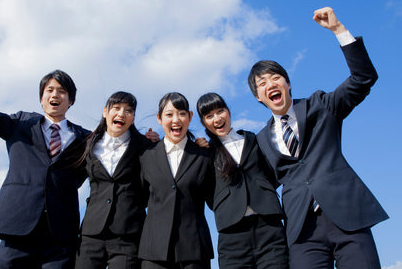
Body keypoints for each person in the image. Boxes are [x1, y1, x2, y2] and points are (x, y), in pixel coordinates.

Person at [247, 7, 388, 269]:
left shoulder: (321, 105)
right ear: (258, 96)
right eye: (262, 83)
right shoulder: (261, 139)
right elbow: (257, 184)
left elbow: (363, 78)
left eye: (276, 78)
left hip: (347, 215)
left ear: (288, 84)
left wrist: (339, 30)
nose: (270, 84)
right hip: (302, 232)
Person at [0, 41, 90, 268]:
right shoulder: (19, 123)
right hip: (17, 230)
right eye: (50, 90)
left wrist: (147, 141)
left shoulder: (86, 139)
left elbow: (119, 148)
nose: (56, 95)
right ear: (42, 98)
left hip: (60, 238)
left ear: (70, 100)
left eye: (62, 91)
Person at [196, 92, 288, 269]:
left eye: (220, 111)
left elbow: (272, 173)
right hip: (232, 234)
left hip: (268, 227)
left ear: (229, 112)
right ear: (203, 123)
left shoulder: (254, 139)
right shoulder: (207, 152)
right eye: (209, 116)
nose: (216, 119)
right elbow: (208, 192)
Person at [75, 91, 159, 269]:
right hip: (91, 233)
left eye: (128, 110)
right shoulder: (89, 145)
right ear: (105, 112)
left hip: (128, 234)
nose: (122, 114)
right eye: (117, 108)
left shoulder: (145, 146)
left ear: (133, 117)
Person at [138, 92, 215, 269]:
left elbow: (213, 198)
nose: (176, 120)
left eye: (181, 113)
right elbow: (139, 199)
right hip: (153, 251)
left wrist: (213, 150)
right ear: (159, 118)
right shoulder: (146, 155)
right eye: (169, 114)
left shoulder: (204, 155)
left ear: (190, 117)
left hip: (194, 250)